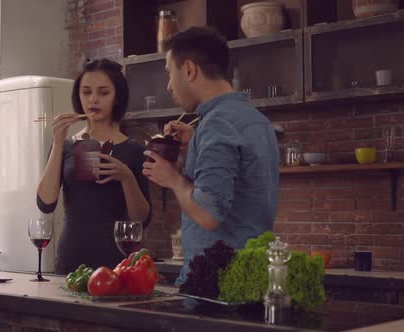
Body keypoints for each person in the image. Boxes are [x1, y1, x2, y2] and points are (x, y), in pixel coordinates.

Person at [142, 27, 280, 286]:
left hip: (216, 284)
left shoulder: (217, 125)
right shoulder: (257, 120)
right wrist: (196, 142)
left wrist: (173, 179)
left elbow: (208, 214)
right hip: (253, 278)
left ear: (190, 70)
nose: (169, 85)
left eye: (170, 73)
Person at [37, 58, 151, 275]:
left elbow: (141, 220)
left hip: (117, 261)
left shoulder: (134, 150)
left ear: (117, 97)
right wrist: (59, 143)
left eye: (104, 92)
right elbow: (45, 203)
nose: (93, 99)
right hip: (71, 258)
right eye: (86, 92)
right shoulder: (67, 145)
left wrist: (127, 178)